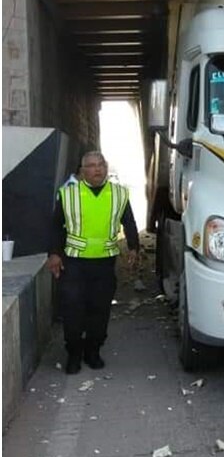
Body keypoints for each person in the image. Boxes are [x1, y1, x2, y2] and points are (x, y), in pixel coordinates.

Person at [47, 151, 140, 374]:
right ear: (82, 171)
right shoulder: (68, 195)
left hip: (104, 263)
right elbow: (56, 227)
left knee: (100, 311)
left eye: (101, 164)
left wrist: (134, 247)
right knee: (73, 310)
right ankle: (74, 354)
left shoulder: (119, 194)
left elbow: (129, 221)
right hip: (74, 263)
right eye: (91, 165)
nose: (98, 169)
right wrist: (54, 254)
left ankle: (93, 351)